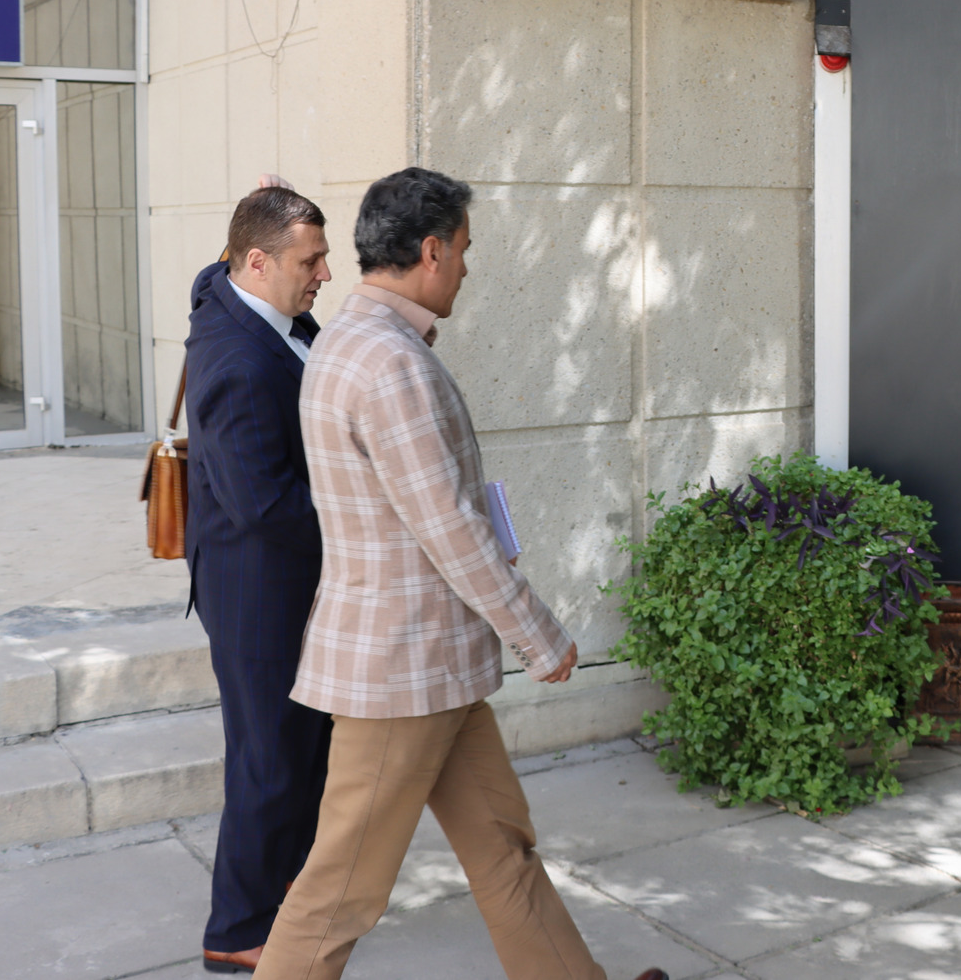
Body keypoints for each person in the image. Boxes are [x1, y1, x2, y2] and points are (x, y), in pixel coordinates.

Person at [253, 167, 664, 980]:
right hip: (402, 671)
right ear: (432, 250)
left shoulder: (358, 340)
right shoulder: (388, 361)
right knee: (339, 894)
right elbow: (449, 524)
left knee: (502, 848)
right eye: (466, 249)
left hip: (430, 666)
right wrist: (537, 634)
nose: (469, 267)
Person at [185, 181, 335, 973]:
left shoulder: (252, 302)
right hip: (256, 586)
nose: (325, 274)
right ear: (256, 261)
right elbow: (265, 505)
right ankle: (238, 926)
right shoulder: (238, 362)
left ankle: (286, 891)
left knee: (301, 747)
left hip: (287, 578)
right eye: (310, 261)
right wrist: (361, 514)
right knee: (269, 756)